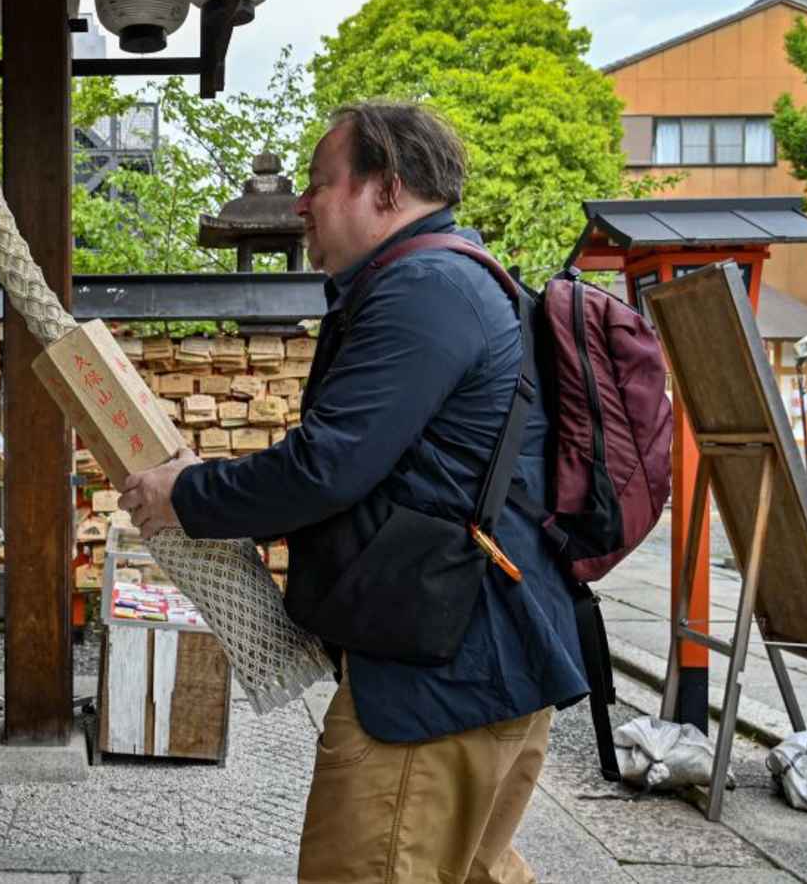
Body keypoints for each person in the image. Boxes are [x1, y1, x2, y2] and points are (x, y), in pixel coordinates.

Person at [119, 102, 589, 884]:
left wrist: (186, 496)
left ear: (386, 189)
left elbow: (327, 466)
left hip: (435, 684)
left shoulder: (426, 288)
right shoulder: (450, 279)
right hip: (473, 657)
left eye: (321, 182)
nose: (302, 203)